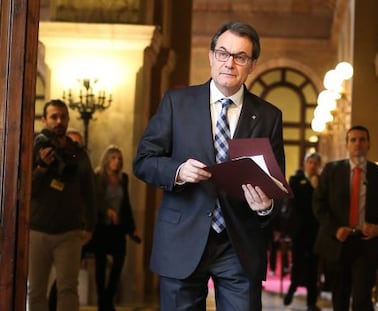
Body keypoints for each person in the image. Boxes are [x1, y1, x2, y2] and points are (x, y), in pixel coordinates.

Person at [133, 21, 286, 310]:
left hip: (239, 243)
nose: (230, 63)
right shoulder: (177, 103)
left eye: (240, 57)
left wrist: (265, 205)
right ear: (211, 56)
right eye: (223, 53)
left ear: (251, 64)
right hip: (182, 239)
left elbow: (276, 186)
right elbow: (143, 162)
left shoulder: (269, 116)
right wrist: (177, 171)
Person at [28, 99, 96, 311]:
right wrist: (41, 167)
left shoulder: (79, 154)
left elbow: (89, 191)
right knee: (36, 290)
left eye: (62, 117)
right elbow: (26, 189)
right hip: (37, 231)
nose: (58, 121)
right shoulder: (34, 149)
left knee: (68, 289)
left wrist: (90, 225)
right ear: (44, 120)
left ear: (67, 119)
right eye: (53, 117)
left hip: (69, 232)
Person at [313, 125, 378, 311]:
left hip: (366, 244)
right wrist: (334, 229)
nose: (358, 144)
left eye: (362, 139)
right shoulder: (332, 171)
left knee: (362, 299)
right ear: (346, 144)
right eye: (353, 140)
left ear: (369, 144)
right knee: (340, 297)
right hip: (337, 242)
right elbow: (318, 204)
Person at [93, 145, 140, 311]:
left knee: (119, 263)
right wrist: (107, 210)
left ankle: (108, 300)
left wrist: (132, 227)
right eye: (113, 158)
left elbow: (126, 204)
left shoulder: (123, 178)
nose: (117, 161)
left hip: (118, 229)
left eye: (119, 158)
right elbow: (94, 201)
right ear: (106, 159)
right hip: (101, 228)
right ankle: (102, 303)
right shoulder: (98, 176)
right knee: (100, 266)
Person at [283, 152, 322, 311]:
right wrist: (312, 188)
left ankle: (311, 302)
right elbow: (298, 203)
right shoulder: (295, 180)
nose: (312, 166)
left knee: (314, 266)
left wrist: (316, 187)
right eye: (310, 162)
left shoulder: (322, 182)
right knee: (298, 263)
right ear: (305, 164)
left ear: (319, 166)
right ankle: (292, 290)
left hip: (316, 231)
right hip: (300, 231)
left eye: (315, 163)